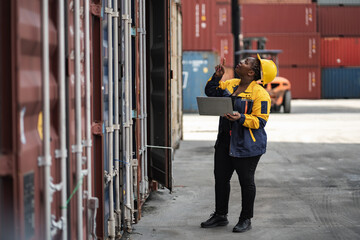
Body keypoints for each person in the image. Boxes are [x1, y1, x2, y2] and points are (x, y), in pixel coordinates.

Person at [200, 55, 277, 233]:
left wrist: (240, 117)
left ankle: (245, 219)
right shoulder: (231, 84)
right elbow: (211, 92)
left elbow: (260, 122)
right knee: (221, 179)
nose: (240, 62)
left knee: (246, 182)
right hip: (225, 142)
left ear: (251, 72)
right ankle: (220, 215)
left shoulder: (261, 94)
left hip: (247, 145)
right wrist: (217, 77)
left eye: (245, 62)